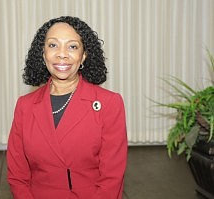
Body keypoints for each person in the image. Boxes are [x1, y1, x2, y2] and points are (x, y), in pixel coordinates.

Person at [7, 16, 128, 199]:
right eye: (53, 45)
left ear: (84, 55)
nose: (62, 54)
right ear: (43, 53)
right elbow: (17, 175)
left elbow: (112, 178)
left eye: (72, 46)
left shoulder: (109, 104)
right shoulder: (25, 105)